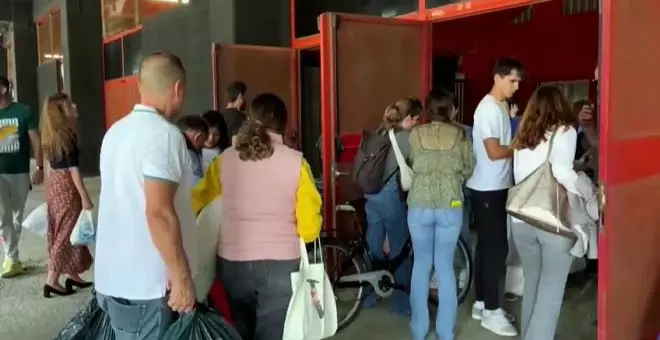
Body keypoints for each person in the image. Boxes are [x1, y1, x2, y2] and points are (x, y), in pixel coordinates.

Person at [192, 93, 322, 340]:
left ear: (250, 120)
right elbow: (309, 227)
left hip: (232, 263)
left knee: (238, 331)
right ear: (283, 124)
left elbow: (198, 201)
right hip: (280, 265)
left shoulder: (226, 159)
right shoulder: (296, 163)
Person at [94, 52, 197, 340]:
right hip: (148, 289)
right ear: (177, 89)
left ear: (141, 86)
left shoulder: (115, 132)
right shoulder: (163, 135)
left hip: (115, 281)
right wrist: (182, 278)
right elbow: (159, 213)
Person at [511, 86, 592, 340]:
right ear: (561, 106)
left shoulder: (523, 136)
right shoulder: (564, 131)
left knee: (533, 284)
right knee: (551, 292)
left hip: (521, 219)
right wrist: (586, 188)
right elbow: (561, 173)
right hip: (552, 220)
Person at [407, 90, 474, 340]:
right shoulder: (461, 135)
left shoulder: (415, 134)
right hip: (450, 203)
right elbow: (469, 168)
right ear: (451, 109)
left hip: (419, 204)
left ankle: (419, 329)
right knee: (445, 267)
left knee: (421, 265)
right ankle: (445, 332)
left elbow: (413, 162)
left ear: (428, 110)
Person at [466, 57, 522, 337]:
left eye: (518, 80)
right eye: (512, 79)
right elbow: (494, 152)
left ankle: (480, 304)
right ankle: (492, 311)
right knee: (495, 250)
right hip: (488, 188)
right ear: (498, 77)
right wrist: (521, 145)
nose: (517, 85)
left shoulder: (500, 107)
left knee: (486, 249)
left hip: (494, 186)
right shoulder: (487, 109)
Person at [363, 97, 421, 315]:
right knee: (400, 249)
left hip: (371, 195)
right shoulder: (406, 137)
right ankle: (401, 303)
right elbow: (417, 166)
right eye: (416, 119)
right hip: (389, 196)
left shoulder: (379, 132)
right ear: (409, 118)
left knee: (374, 244)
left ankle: (372, 291)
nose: (417, 124)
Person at [40, 93, 94, 298]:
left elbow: (48, 167)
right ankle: (52, 279)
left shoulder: (52, 136)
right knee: (66, 232)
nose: (74, 106)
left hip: (55, 185)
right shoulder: (68, 137)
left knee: (61, 229)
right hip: (67, 187)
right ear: (61, 112)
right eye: (69, 105)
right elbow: (74, 172)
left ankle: (73, 275)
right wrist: (85, 197)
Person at [0, 76, 44, 278]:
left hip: (19, 171)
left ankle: (13, 259)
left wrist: (40, 166)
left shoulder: (23, 111)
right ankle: (11, 258)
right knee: (3, 216)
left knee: (17, 215)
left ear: (3, 89)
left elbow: (36, 140)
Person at [177, 115, 209, 184]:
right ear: (198, 137)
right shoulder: (192, 156)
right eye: (204, 139)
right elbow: (198, 186)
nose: (203, 145)